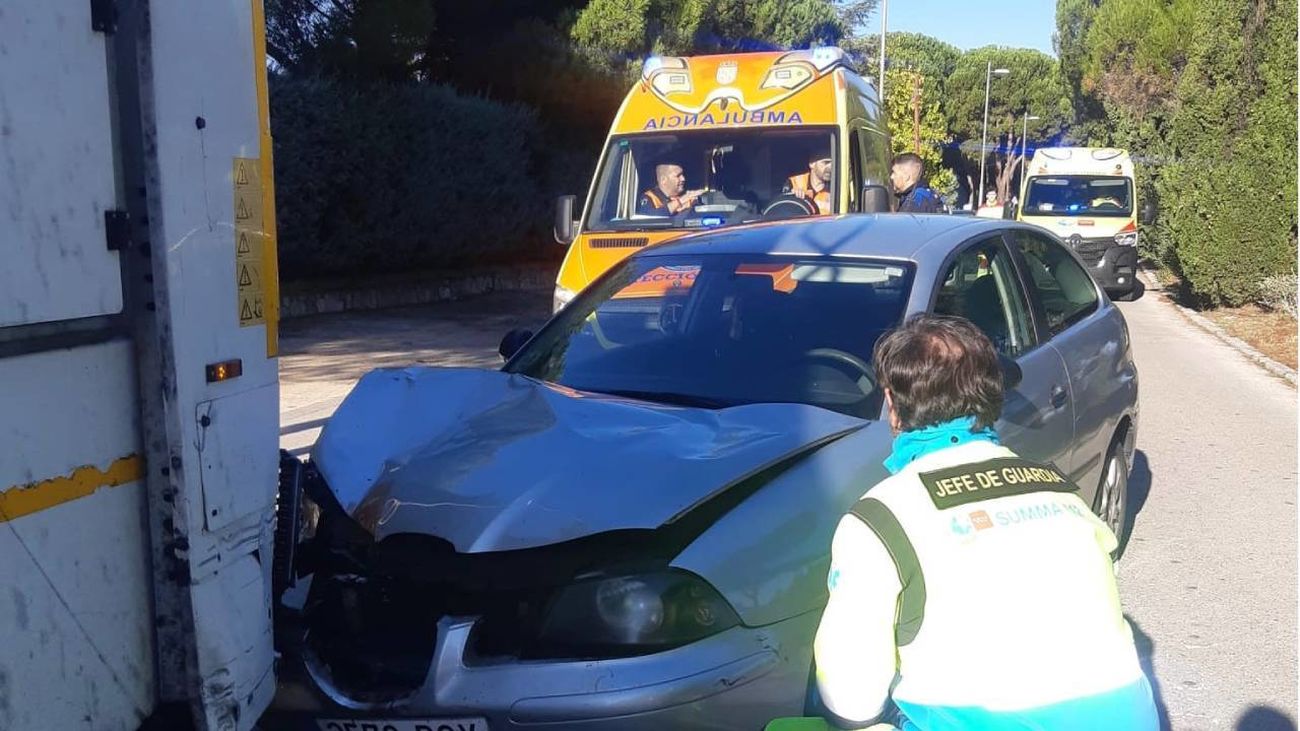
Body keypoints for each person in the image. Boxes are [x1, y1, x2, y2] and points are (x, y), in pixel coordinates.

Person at [812, 314, 1158, 731]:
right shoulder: (1064, 496)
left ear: (892, 405)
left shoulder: (880, 518)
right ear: (993, 399)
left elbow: (850, 700)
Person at [638, 162, 706, 216]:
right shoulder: (649, 197)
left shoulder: (690, 198)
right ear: (663, 180)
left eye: (682, 175)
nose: (683, 179)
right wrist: (680, 201)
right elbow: (649, 217)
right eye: (678, 176)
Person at [785, 150, 834, 214]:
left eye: (833, 164)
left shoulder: (836, 188)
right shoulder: (793, 182)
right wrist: (792, 196)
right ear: (812, 164)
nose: (830, 167)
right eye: (826, 162)